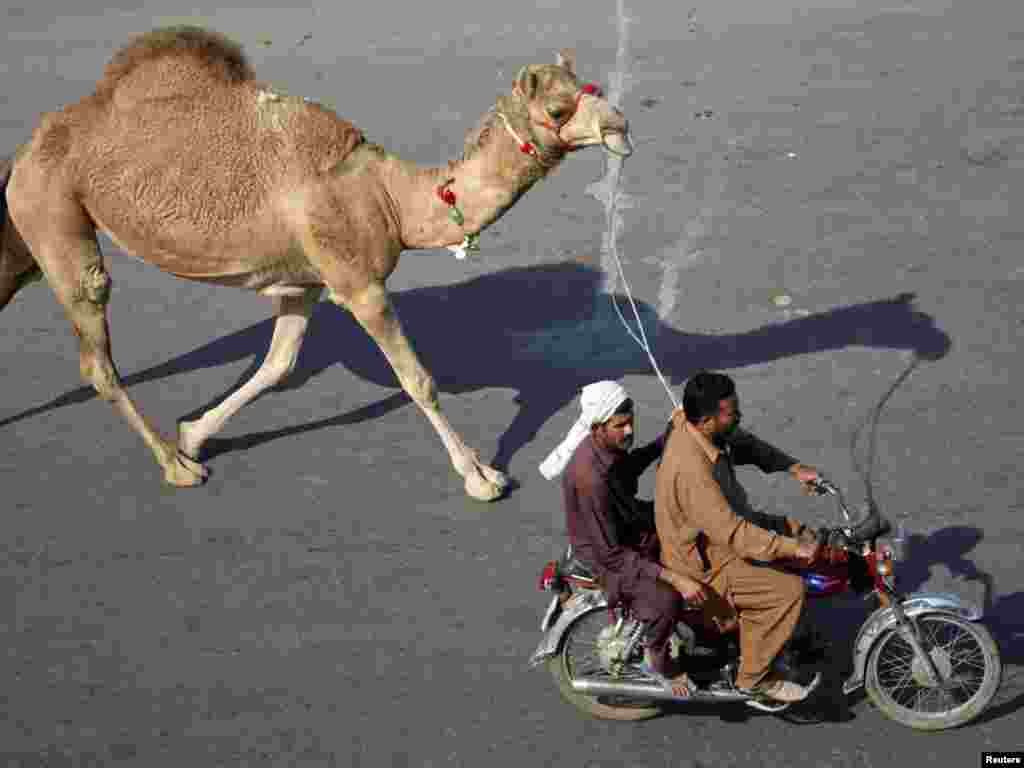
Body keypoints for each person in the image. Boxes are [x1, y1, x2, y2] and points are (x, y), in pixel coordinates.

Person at [654, 370, 822, 708]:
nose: (739, 416)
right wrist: (793, 549)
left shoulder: (702, 429)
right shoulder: (689, 469)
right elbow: (734, 534)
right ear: (704, 421)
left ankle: (788, 638)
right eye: (731, 413)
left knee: (801, 530)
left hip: (723, 530)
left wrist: (793, 467)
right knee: (787, 590)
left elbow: (743, 442)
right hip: (706, 562)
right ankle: (753, 678)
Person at [540, 380, 707, 698]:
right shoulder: (590, 477)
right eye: (620, 425)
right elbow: (612, 553)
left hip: (627, 525)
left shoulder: (607, 450)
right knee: (666, 598)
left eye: (631, 422)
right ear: (598, 426)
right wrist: (675, 579)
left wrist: (667, 435)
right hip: (609, 553)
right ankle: (654, 660)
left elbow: (630, 468)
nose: (629, 430)